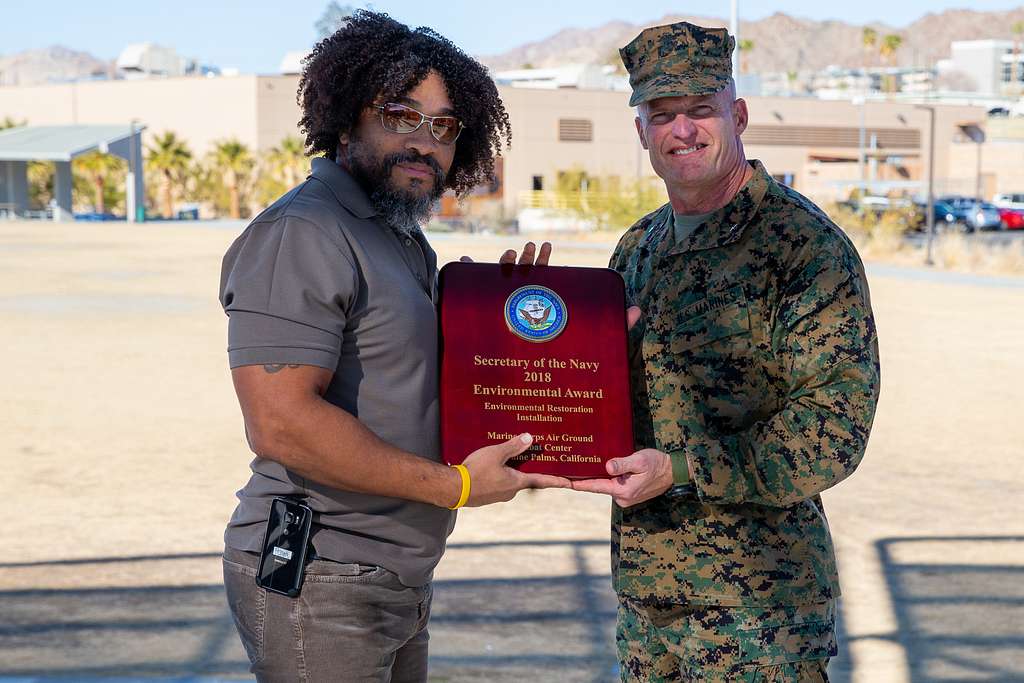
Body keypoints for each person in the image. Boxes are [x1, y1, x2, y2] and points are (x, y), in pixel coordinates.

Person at [218, 11, 565, 681]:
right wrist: (456, 486)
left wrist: (519, 321)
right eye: (401, 115)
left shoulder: (398, 235)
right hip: (323, 575)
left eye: (442, 126)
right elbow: (283, 424)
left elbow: (408, 377)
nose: (424, 143)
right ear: (347, 119)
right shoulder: (307, 231)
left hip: (393, 573)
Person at [571, 21, 881, 682]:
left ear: (737, 115)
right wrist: (520, 329)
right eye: (662, 114)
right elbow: (596, 400)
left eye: (700, 110)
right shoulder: (636, 249)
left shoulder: (803, 248)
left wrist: (682, 469)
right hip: (648, 600)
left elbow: (831, 432)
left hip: (760, 615)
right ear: (641, 132)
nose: (682, 130)